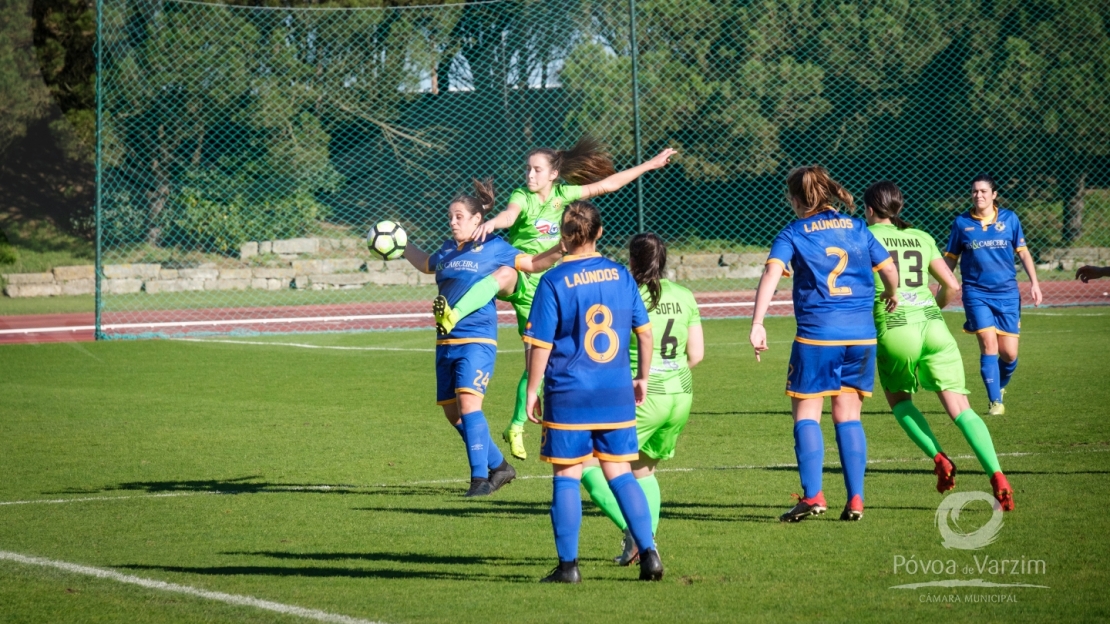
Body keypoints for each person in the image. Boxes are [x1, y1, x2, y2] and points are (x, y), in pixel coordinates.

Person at [431, 137, 676, 461]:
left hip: (555, 283)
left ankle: (523, 423)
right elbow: (508, 214)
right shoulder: (523, 198)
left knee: (548, 358)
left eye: (536, 170)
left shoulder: (563, 196)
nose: (529, 175)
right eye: (528, 169)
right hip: (524, 278)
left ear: (553, 174)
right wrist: (491, 222)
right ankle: (515, 421)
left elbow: (608, 184)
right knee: (511, 291)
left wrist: (649, 164)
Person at [749, 165, 900, 522]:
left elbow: (772, 272)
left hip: (818, 335)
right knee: (848, 415)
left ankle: (813, 494)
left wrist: (758, 322)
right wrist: (893, 293)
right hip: (862, 335)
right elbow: (890, 269)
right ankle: (857, 499)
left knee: (806, 414)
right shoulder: (858, 227)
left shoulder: (794, 232)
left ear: (797, 198)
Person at [523, 201, 662, 583]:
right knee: (620, 473)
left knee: (567, 476)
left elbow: (541, 345)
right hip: (614, 391)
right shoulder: (620, 275)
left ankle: (568, 567)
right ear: (599, 233)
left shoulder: (553, 280)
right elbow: (644, 333)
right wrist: (642, 377)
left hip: (569, 393)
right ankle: (649, 554)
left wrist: (531, 391)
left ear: (564, 238)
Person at [401, 179, 561, 497]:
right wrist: (400, 243)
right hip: (445, 341)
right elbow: (424, 264)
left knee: (469, 404)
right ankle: (501, 467)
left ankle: (479, 480)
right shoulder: (447, 250)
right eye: (450, 216)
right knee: (452, 412)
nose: (453, 221)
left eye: (459, 216)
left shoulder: (496, 247)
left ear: (477, 220)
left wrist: (561, 247)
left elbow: (531, 263)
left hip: (477, 339)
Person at [864, 181, 1014, 510]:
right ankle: (998, 474)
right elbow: (952, 285)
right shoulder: (921, 237)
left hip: (895, 328)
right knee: (962, 409)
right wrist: (932, 307)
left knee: (900, 402)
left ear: (870, 209)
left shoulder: (865, 236)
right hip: (935, 328)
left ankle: (939, 458)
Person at [578, 233, 704, 565]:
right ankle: (642, 543)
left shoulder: (625, 292)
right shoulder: (685, 295)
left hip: (641, 397)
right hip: (680, 394)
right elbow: (697, 354)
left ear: (632, 261)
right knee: (643, 471)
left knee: (587, 465)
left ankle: (640, 539)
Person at [944, 174, 1042, 416]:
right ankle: (994, 402)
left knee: (1009, 353)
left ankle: (1000, 387)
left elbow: (1023, 252)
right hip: (976, 293)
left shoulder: (1010, 219)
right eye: (975, 191)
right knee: (988, 345)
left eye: (984, 191)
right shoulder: (961, 223)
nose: (978, 195)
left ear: (994, 195)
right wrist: (943, 285)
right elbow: (950, 258)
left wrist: (1035, 283)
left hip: (1007, 294)